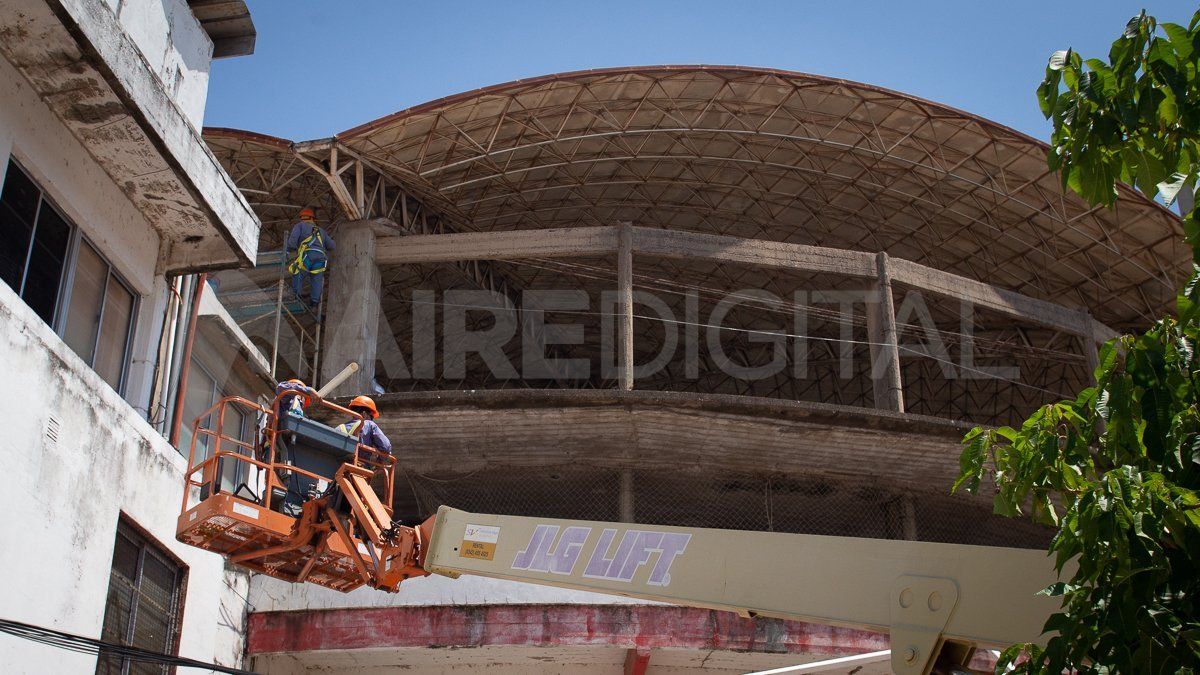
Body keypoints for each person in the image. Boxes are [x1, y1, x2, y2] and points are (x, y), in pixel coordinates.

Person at [286, 207, 335, 310]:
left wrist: (289, 249)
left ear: (301, 218)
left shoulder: (299, 226)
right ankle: (314, 303)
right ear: (313, 219)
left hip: (308, 255)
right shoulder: (321, 231)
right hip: (321, 258)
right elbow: (332, 246)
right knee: (316, 279)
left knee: (297, 272)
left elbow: (292, 242)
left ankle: (296, 295)